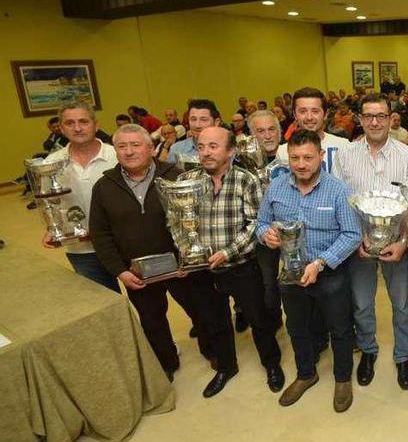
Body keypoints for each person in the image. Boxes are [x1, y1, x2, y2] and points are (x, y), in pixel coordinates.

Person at [89, 124, 209, 382]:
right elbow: (100, 234)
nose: (129, 151)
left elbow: (199, 220)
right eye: (122, 146)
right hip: (137, 272)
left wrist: (190, 260)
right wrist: (119, 271)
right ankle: (166, 362)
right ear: (116, 151)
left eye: (136, 145)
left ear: (150, 147)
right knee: (152, 320)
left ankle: (212, 350)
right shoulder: (104, 187)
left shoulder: (177, 176)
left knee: (200, 310)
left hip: (181, 267)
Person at [257, 129, 361, 412]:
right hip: (290, 273)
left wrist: (320, 263)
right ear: (287, 158)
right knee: (296, 327)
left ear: (320, 156)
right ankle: (306, 374)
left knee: (339, 329)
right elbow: (261, 223)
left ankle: (342, 379)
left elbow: (352, 234)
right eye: (295, 158)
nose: (301, 164)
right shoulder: (276, 187)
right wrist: (266, 235)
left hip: (328, 272)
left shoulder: (337, 189)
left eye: (307, 157)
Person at [178, 126, 284, 398]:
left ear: (230, 151)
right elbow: (177, 222)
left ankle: (271, 363)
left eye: (213, 146)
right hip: (202, 270)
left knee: (259, 319)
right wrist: (185, 249)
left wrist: (227, 252)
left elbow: (256, 224)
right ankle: (226, 367)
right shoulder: (188, 181)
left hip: (241, 267)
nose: (205, 153)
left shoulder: (245, 181)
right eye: (201, 147)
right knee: (215, 322)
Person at [332, 94, 408, 391]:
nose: (374, 121)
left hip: (395, 243)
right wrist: (352, 240)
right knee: (362, 304)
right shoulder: (345, 155)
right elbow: (340, 202)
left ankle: (403, 355)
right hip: (358, 246)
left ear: (391, 117)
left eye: (381, 115)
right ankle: (368, 350)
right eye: (368, 115)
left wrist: (405, 241)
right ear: (359, 118)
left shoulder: (407, 156)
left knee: (402, 304)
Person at [44, 102, 119, 292]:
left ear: (96, 124)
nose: (77, 128)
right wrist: (52, 226)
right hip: (82, 249)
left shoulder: (117, 155)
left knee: (147, 305)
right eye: (69, 123)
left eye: (83, 121)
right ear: (61, 128)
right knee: (104, 303)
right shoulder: (51, 164)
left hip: (123, 243)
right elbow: (49, 201)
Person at [247, 110, 290, 328]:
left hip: (296, 230)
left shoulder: (293, 155)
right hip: (264, 233)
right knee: (268, 282)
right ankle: (273, 320)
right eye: (260, 131)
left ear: (280, 131)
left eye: (271, 129)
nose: (267, 135)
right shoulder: (243, 163)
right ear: (251, 135)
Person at [291, 87, 349, 173]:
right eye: (303, 111)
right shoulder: (283, 152)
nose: (309, 117)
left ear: (325, 114)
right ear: (295, 115)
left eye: (315, 111)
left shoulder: (343, 146)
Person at [167, 99, 222, 165]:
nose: (197, 125)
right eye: (193, 119)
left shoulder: (227, 150)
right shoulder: (177, 149)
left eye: (203, 120)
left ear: (216, 122)